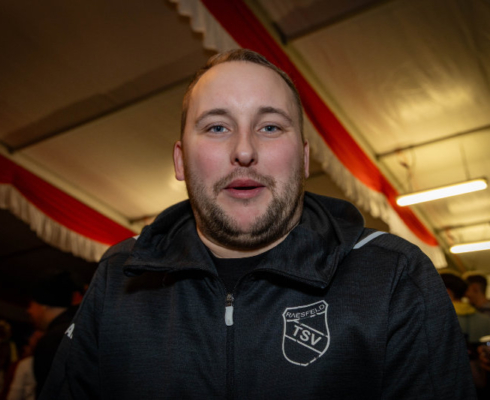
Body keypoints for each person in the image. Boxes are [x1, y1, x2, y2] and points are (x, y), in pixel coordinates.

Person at [40, 49, 475, 399]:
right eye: (217, 127)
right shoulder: (119, 274)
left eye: (269, 127)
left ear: (304, 158)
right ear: (181, 160)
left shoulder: (393, 275)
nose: (244, 150)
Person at [26, 271, 81, 397]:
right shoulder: (77, 329)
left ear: (43, 305)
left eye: (31, 304)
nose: (29, 311)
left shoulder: (54, 339)